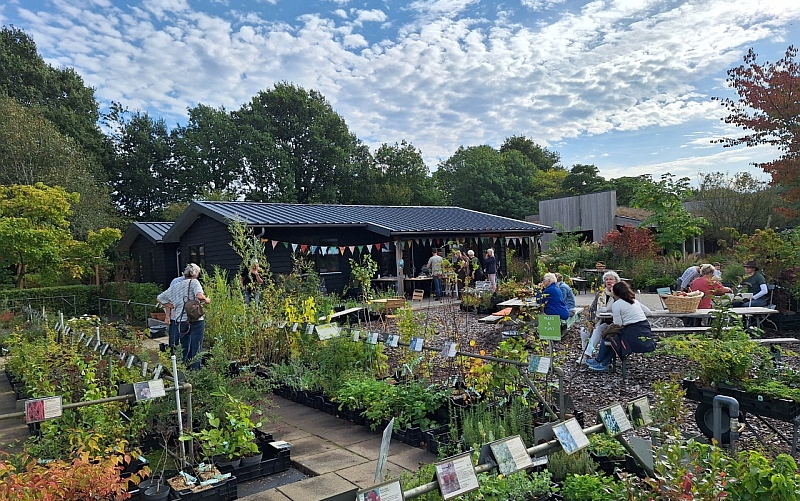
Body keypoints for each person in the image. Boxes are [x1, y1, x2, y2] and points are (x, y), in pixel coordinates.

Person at [587, 281, 655, 372]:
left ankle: (601, 361)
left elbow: (617, 324)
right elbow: (648, 312)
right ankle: (601, 362)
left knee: (608, 337)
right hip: (645, 330)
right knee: (615, 338)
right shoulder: (634, 301)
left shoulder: (617, 304)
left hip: (633, 333)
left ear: (615, 293)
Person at [157, 263, 211, 369]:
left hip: (181, 320)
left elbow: (160, 298)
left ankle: (182, 369)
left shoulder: (175, 286)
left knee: (183, 347)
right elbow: (199, 296)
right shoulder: (194, 282)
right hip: (195, 319)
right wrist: (206, 300)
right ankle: (195, 371)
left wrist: (172, 306)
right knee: (197, 346)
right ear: (195, 274)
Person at [579, 271, 620, 363]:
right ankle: (585, 352)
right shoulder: (601, 294)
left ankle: (586, 355)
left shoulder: (619, 293)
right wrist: (590, 321)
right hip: (599, 320)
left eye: (611, 279)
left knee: (598, 329)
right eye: (606, 279)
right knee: (584, 330)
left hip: (612, 322)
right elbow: (592, 309)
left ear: (616, 281)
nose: (608, 281)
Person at [161, 272, 186, 350]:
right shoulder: (176, 282)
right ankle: (173, 356)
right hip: (175, 316)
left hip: (187, 318)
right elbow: (168, 298)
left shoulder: (194, 282)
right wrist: (167, 316)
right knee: (174, 339)